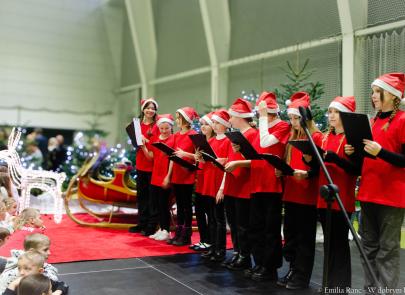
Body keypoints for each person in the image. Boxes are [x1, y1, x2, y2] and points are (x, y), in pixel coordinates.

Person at [348, 73, 405, 290]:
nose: (373, 96)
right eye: (372, 92)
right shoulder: (370, 122)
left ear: (392, 95)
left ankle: (387, 291)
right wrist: (353, 152)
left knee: (388, 249)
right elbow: (365, 159)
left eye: (377, 92)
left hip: (392, 196)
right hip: (368, 193)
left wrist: (381, 152)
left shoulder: (402, 120)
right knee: (368, 247)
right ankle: (370, 290)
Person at [277, 92, 323, 289]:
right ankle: (293, 270)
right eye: (292, 118)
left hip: (307, 195)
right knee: (291, 235)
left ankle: (302, 276)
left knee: (305, 238)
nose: (294, 122)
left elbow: (320, 168)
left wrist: (308, 173)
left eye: (297, 118)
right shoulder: (291, 137)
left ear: (306, 117)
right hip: (292, 193)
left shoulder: (317, 137)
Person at [245, 92, 291, 282]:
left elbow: (265, 142)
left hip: (272, 185)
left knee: (270, 229)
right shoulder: (261, 128)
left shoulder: (282, 126)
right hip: (257, 183)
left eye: (262, 112)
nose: (258, 114)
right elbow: (256, 151)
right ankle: (260, 262)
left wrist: (263, 119)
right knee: (256, 227)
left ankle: (270, 266)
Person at [318, 96, 362, 291]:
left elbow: (356, 170)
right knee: (328, 244)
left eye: (336, 112)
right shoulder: (325, 137)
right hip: (324, 198)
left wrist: (338, 159)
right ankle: (328, 283)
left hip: (341, 199)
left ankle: (341, 286)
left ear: (345, 115)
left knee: (340, 245)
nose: (332, 116)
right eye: (330, 112)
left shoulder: (352, 140)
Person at [220, 98, 258, 271]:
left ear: (240, 117)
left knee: (243, 225)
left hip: (244, 186)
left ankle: (245, 255)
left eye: (232, 116)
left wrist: (237, 163)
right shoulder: (234, 136)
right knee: (234, 223)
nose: (229, 120)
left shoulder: (253, 134)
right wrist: (224, 160)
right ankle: (238, 252)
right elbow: (232, 158)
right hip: (232, 184)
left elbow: (256, 160)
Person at [199, 110, 232, 262]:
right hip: (208, 182)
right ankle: (212, 246)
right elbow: (206, 162)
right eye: (214, 122)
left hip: (219, 184)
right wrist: (200, 157)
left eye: (218, 123)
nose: (215, 125)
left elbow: (228, 164)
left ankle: (221, 249)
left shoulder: (228, 141)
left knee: (219, 219)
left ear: (225, 124)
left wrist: (222, 188)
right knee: (210, 218)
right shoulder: (210, 142)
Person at [164, 107, 199, 246]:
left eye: (178, 118)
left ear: (185, 120)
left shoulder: (194, 135)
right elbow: (173, 156)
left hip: (187, 175)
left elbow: (198, 157)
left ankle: (186, 235)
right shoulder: (177, 136)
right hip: (177, 175)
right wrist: (168, 175)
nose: (176, 120)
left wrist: (185, 154)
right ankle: (178, 232)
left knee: (186, 206)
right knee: (179, 205)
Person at [129, 98, 159, 236]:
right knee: (141, 196)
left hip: (153, 165)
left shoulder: (158, 126)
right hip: (141, 163)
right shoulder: (137, 125)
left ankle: (151, 225)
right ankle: (141, 223)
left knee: (152, 198)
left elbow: (159, 143)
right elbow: (135, 142)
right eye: (148, 108)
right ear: (143, 109)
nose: (150, 110)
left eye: (153, 108)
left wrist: (146, 140)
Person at [190, 112, 215, 252]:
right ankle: (203, 239)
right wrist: (197, 157)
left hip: (209, 180)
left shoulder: (213, 141)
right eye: (202, 125)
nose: (203, 127)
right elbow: (199, 160)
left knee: (210, 213)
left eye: (206, 124)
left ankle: (210, 241)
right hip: (201, 178)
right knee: (199, 211)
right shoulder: (201, 142)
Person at [148, 114, 175, 241]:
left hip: (165, 175)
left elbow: (172, 160)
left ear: (171, 128)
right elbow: (153, 157)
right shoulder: (155, 139)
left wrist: (168, 177)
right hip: (155, 175)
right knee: (157, 204)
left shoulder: (173, 139)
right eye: (162, 128)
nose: (164, 131)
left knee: (164, 204)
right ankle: (161, 228)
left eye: (167, 128)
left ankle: (167, 230)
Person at [2, 250, 68, 295]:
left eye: (27, 269)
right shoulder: (18, 285)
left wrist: (57, 292)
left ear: (40, 271)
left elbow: (63, 285)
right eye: (19, 268)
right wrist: (12, 285)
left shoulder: (44, 282)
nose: (21, 272)